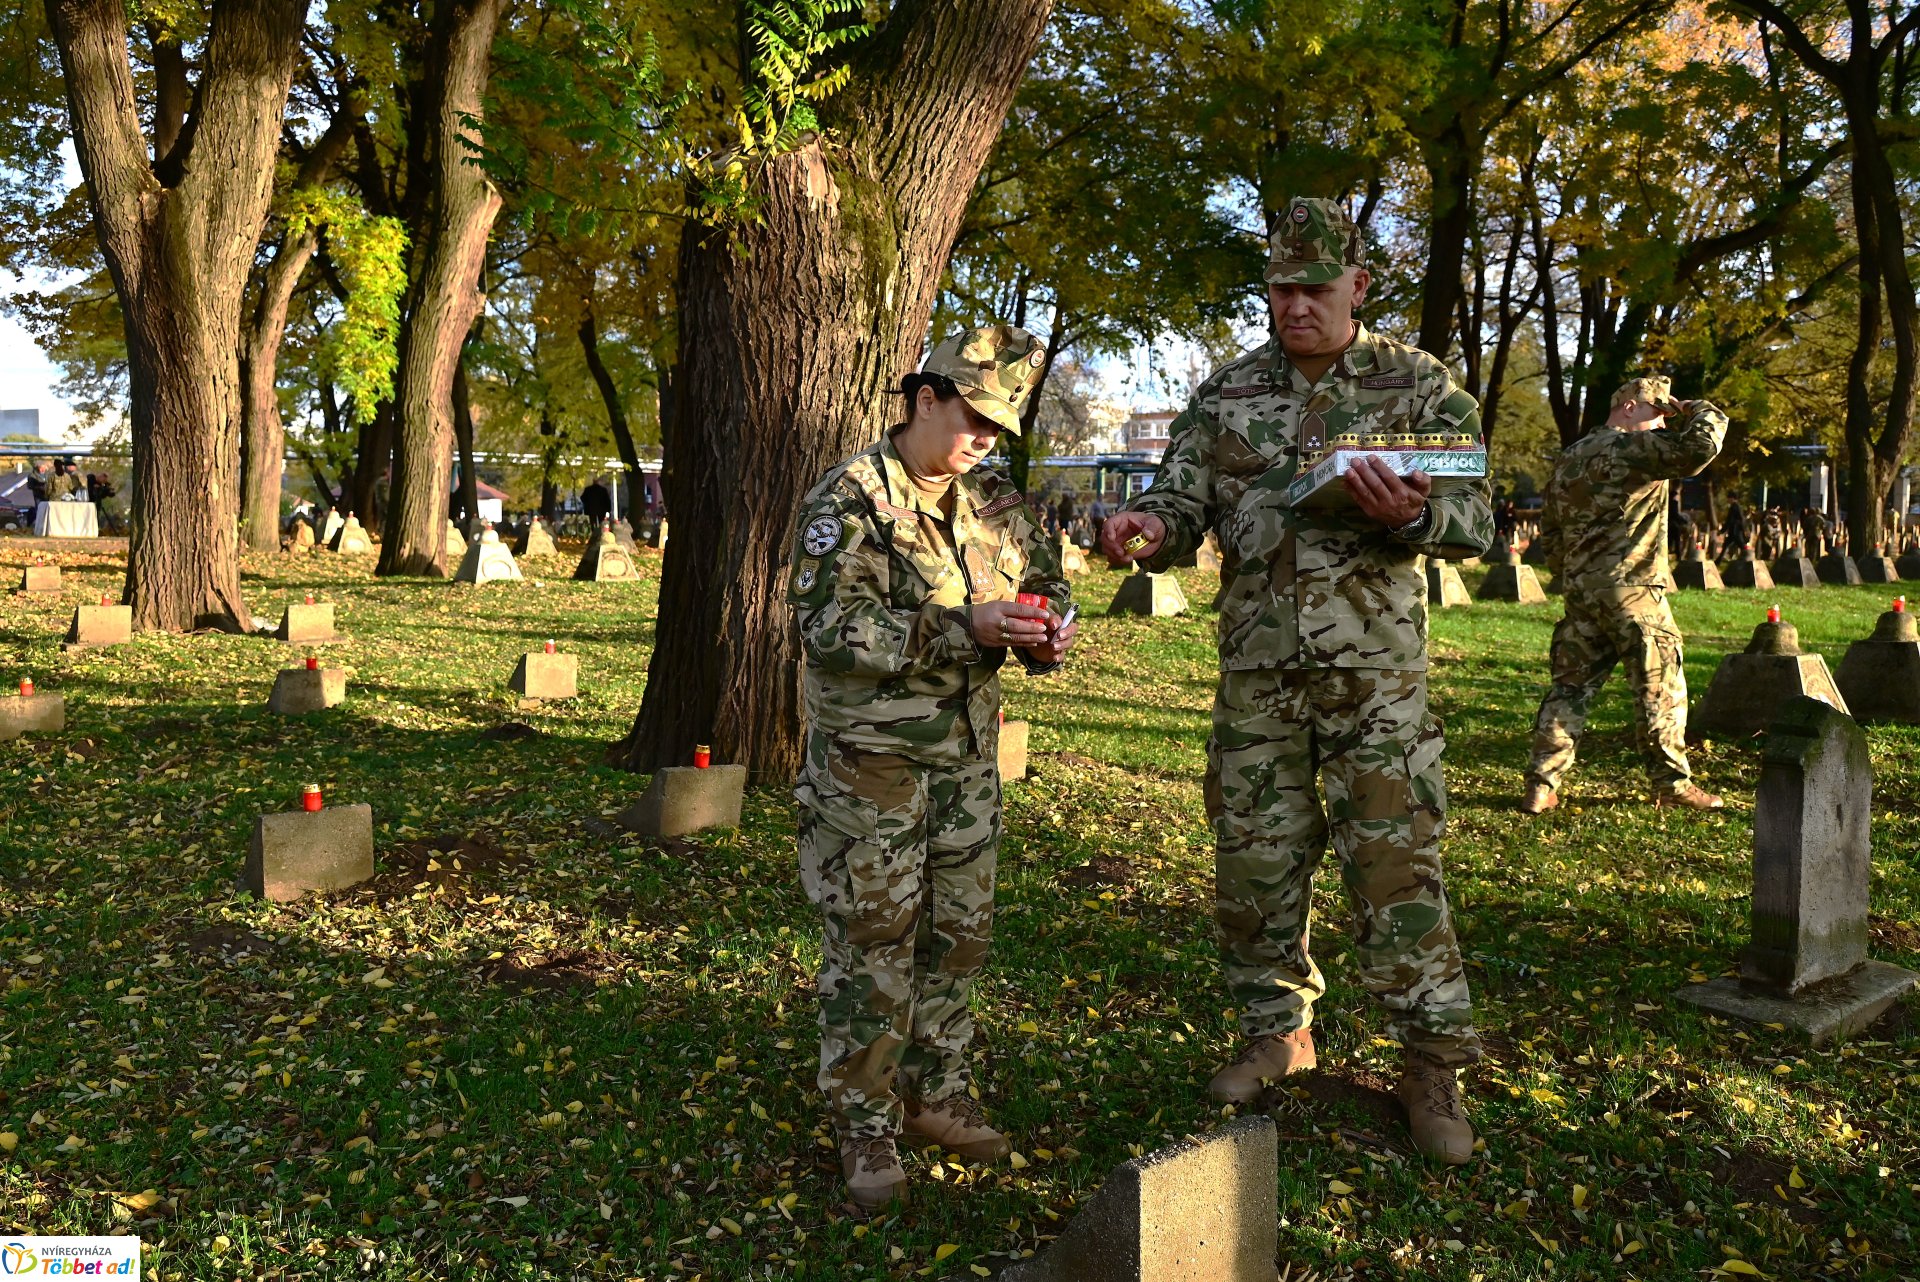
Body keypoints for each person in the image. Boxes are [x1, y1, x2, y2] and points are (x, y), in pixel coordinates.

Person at [1098, 198, 1490, 1165]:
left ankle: (1430, 1064)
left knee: (1395, 866)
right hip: (1259, 671)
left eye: (1314, 288)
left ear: (1358, 285)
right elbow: (1180, 496)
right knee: (1255, 861)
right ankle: (1278, 1032)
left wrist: (1410, 518)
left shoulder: (1420, 384)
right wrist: (1146, 528)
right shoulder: (1228, 393)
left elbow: (1477, 515)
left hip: (1376, 676)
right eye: (1280, 288)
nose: (1295, 305)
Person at [788, 324, 1079, 1211]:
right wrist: (966, 628)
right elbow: (830, 631)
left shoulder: (995, 501)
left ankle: (933, 1095)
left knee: (958, 937)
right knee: (874, 944)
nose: (987, 440)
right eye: (975, 419)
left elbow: (1048, 583)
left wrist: (1045, 628)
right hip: (870, 766)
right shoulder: (851, 499)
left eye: (1000, 426)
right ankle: (864, 1125)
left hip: (966, 760)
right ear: (925, 400)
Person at [1521, 376, 1727, 815]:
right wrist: (1698, 409)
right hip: (1633, 590)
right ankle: (1671, 784)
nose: (1662, 425)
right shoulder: (1632, 449)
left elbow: (1551, 531)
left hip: (1581, 592)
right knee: (1660, 687)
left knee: (1570, 689)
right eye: (1658, 413)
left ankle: (1541, 785)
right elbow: (1700, 450)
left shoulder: (1570, 456)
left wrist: (1572, 573)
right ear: (1630, 407)